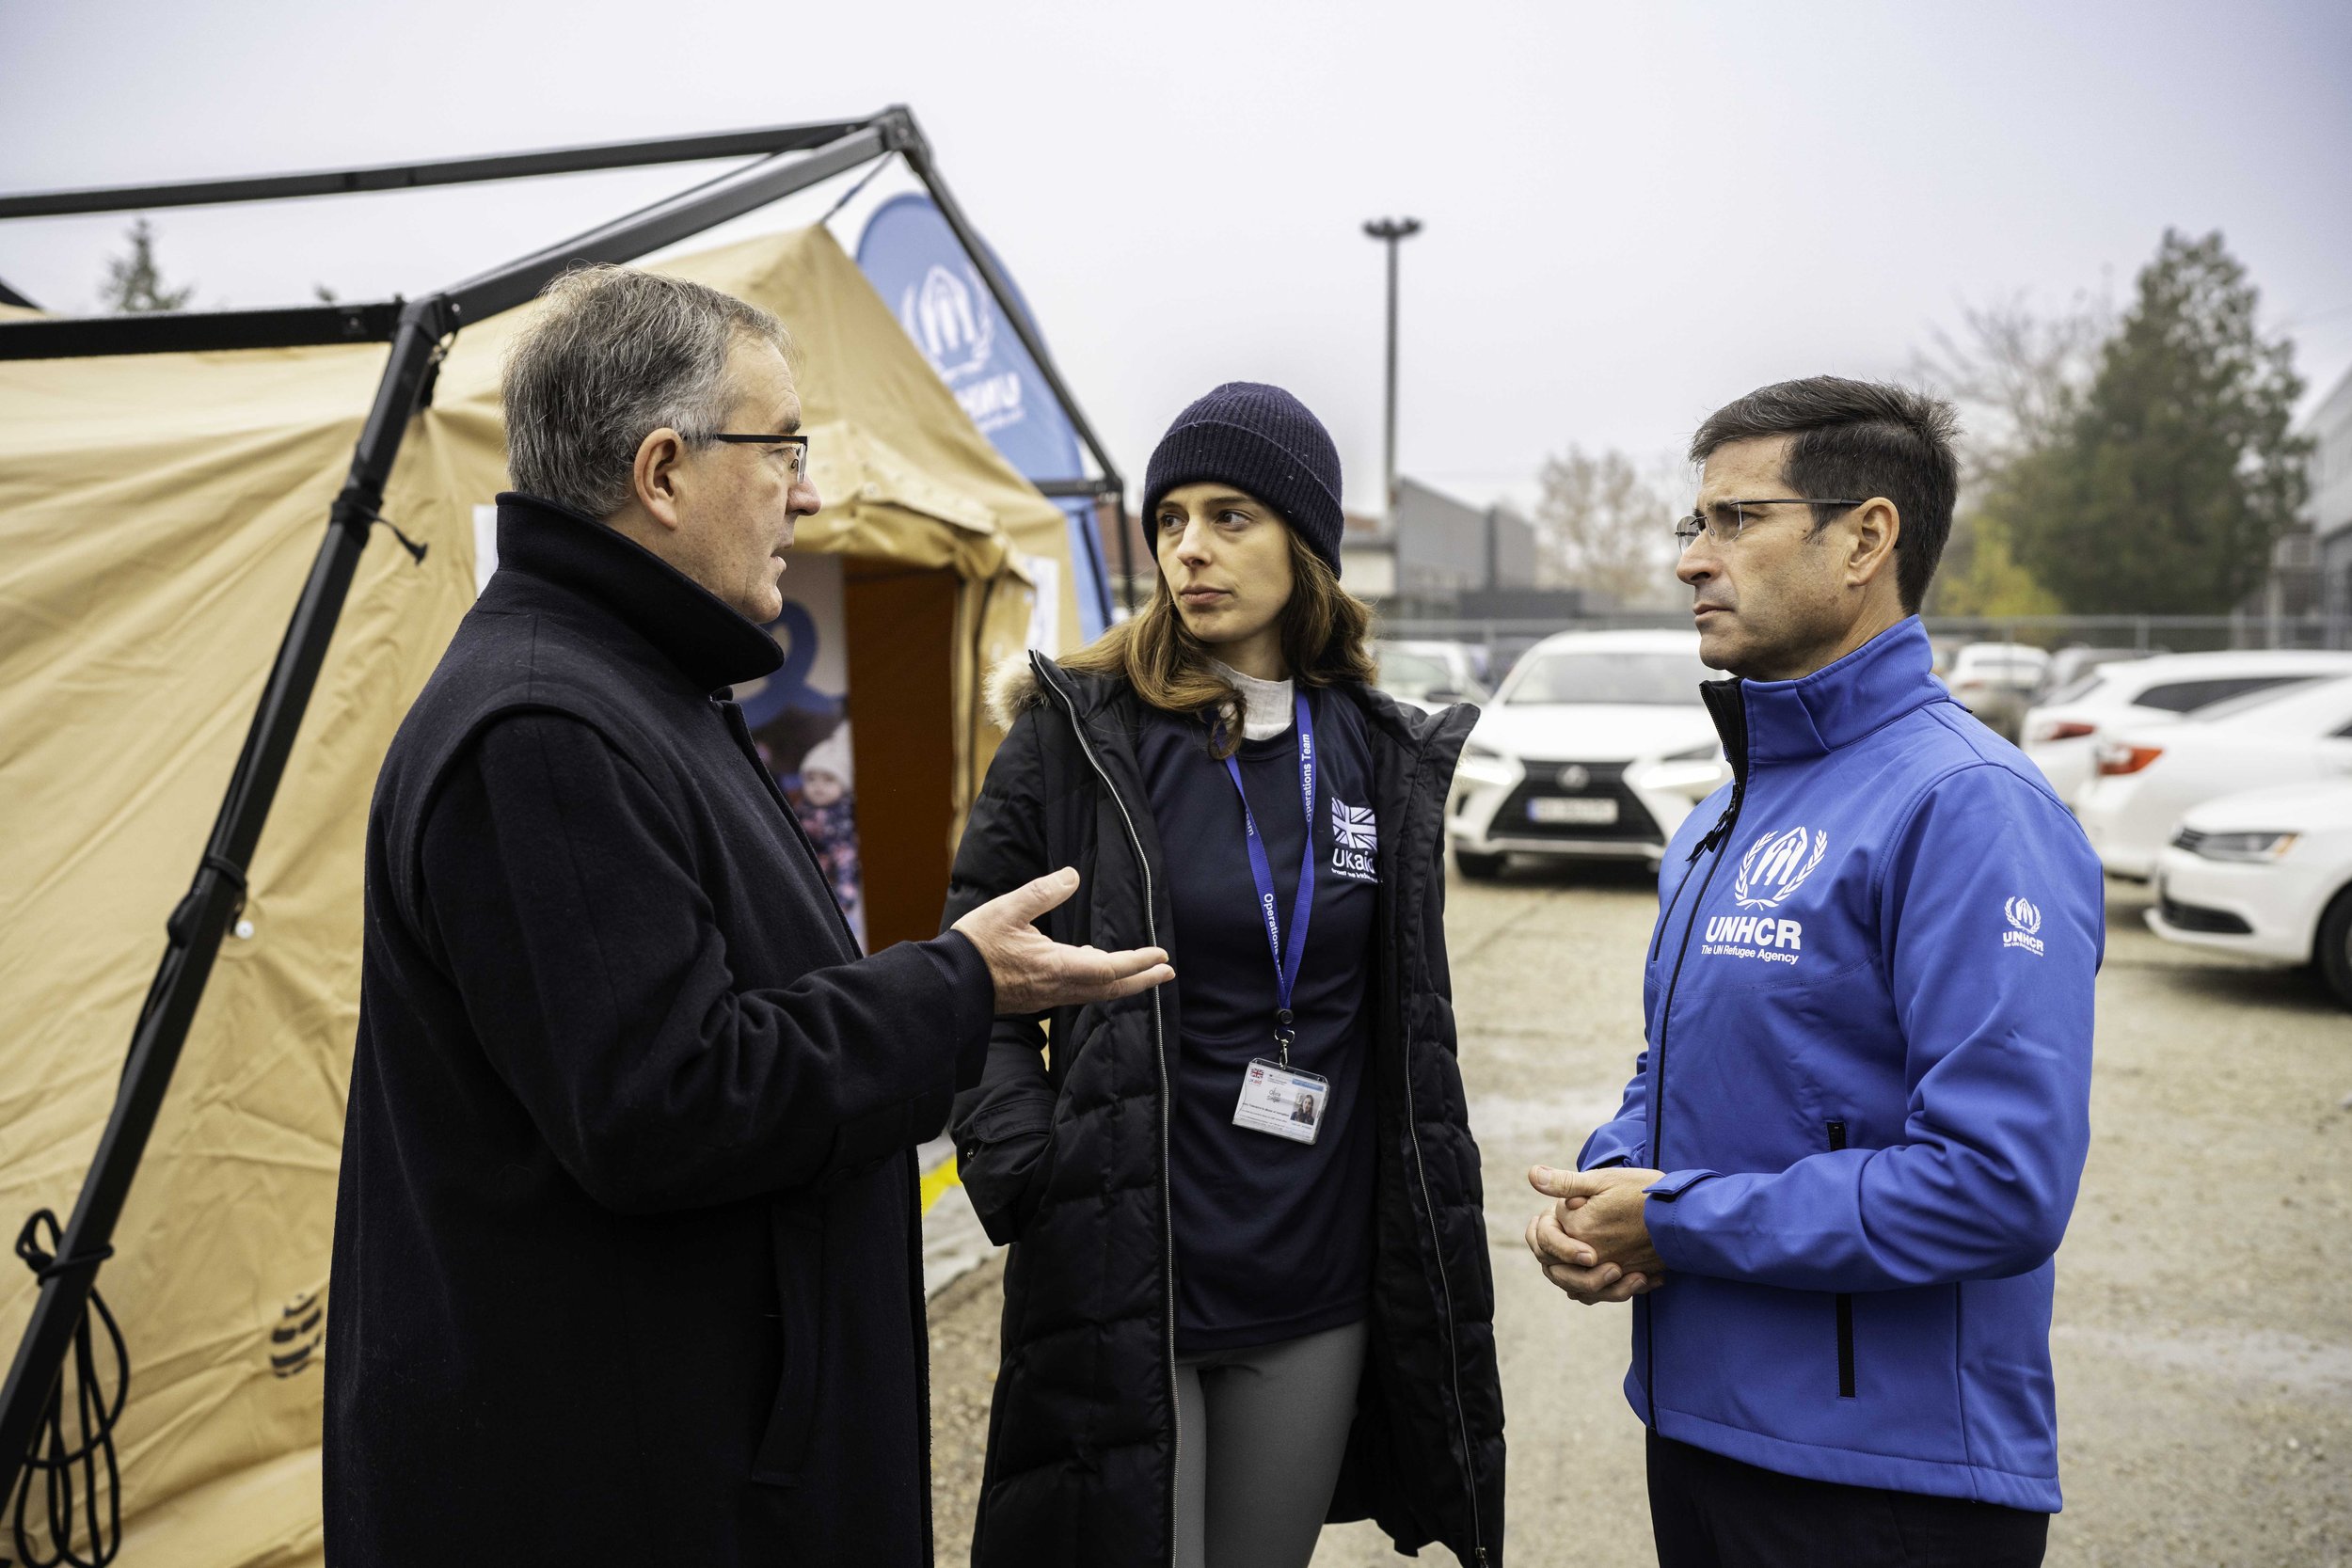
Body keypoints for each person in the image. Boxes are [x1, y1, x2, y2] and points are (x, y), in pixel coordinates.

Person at [324, 265, 1171, 1568]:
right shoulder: (543, 729)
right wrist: (960, 983)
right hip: (625, 1498)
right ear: (663, 472)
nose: (809, 492)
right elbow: (667, 1098)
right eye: (782, 448)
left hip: (685, 1463)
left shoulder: (642, 686)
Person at [1524, 376, 2101, 1568]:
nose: (1691, 558)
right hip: (1700, 1430)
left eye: (1737, 519)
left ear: (1865, 539)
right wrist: (1608, 1187)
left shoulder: (1967, 806)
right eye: (1694, 522)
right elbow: (1687, 1067)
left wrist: (1673, 1219)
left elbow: (1996, 1184)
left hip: (1884, 1480)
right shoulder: (1724, 809)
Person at [943, 384, 1504, 1568]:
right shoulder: (1077, 735)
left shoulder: (1378, 754)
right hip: (1124, 1269)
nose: (1189, 547)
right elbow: (974, 978)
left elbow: (1401, 1020)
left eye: (1229, 515)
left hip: (1312, 1283)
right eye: (1171, 519)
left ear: (1306, 543)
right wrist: (1030, 1169)